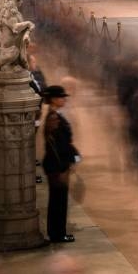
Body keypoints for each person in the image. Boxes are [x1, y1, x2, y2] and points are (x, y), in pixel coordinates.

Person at [42, 85, 81, 243]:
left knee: (57, 200)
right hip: (57, 166)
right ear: (53, 99)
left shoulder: (55, 115)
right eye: (60, 97)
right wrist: (66, 164)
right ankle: (58, 235)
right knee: (59, 202)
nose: (64, 99)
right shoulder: (54, 118)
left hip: (56, 164)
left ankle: (57, 233)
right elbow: (59, 145)